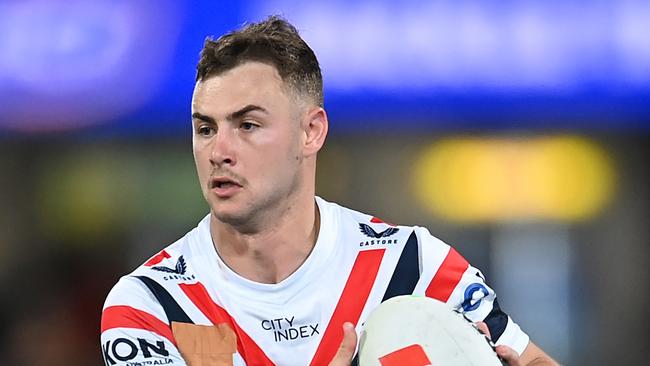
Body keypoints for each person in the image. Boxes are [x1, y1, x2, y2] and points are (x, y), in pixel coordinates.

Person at [100, 16, 558, 366]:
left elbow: (532, 358)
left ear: (311, 132)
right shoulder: (151, 304)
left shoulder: (411, 265)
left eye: (248, 125)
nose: (219, 150)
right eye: (205, 128)